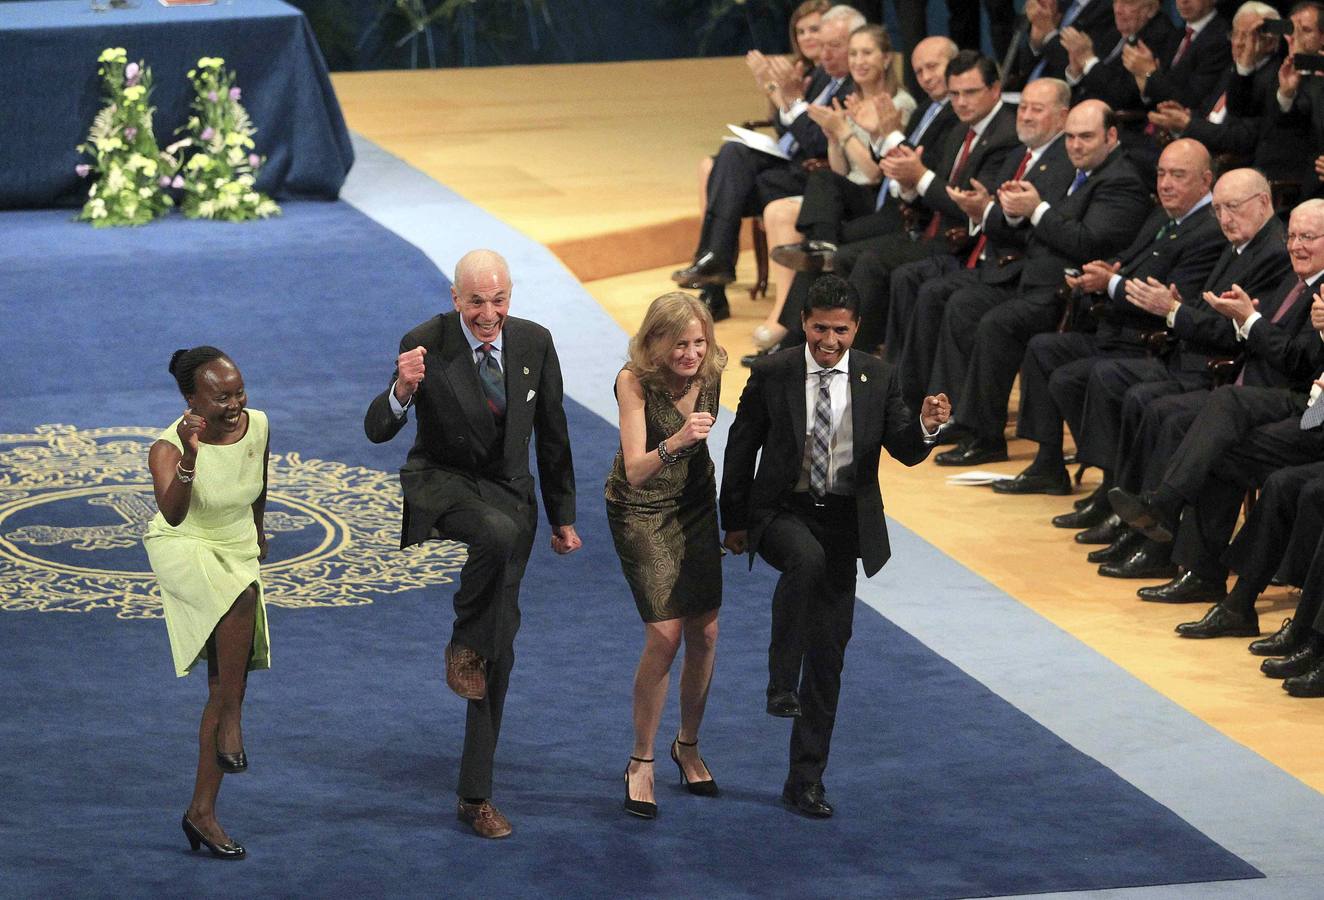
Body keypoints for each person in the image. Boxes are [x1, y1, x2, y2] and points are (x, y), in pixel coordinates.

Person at [363, 249, 582, 839]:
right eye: (477, 302)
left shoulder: (535, 342)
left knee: (500, 647)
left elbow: (554, 436)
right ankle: (462, 640)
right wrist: (402, 391)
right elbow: (377, 429)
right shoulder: (424, 342)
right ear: (455, 298)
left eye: (500, 300)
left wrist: (564, 516)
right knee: (497, 536)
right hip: (444, 482)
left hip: (510, 490)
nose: (490, 314)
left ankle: (475, 795)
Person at [719, 274, 950, 818]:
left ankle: (805, 781)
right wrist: (734, 522)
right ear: (803, 323)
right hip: (780, 512)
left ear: (856, 328)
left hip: (844, 523)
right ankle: (779, 680)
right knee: (805, 558)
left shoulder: (877, 375)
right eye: (820, 327)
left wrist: (927, 426)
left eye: (840, 330)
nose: (829, 340)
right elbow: (739, 449)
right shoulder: (772, 372)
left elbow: (904, 449)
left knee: (828, 658)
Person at [143, 346, 271, 861]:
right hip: (186, 546)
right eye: (221, 396)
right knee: (239, 602)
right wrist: (193, 456)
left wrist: (259, 534)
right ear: (191, 399)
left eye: (239, 390)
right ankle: (234, 722)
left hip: (235, 546)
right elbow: (173, 515)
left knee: (223, 680)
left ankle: (202, 812)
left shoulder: (258, 424)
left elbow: (259, 484)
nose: (235, 403)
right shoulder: (167, 448)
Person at [605, 292, 727, 819]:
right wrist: (677, 440)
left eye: (699, 343)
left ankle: (689, 744)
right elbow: (634, 468)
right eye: (680, 344)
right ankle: (641, 760)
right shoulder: (632, 380)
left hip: (696, 504)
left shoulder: (714, 371)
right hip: (640, 508)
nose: (692, 354)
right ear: (655, 342)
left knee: (705, 629)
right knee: (666, 632)